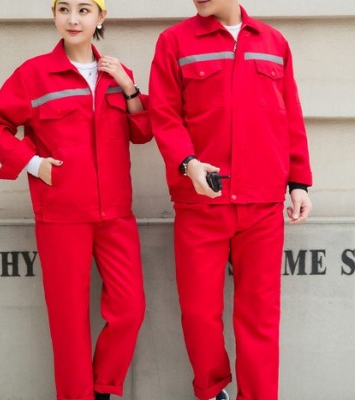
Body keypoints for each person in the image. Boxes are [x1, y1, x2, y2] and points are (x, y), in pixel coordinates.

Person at [0, 1, 152, 399]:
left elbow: (142, 133)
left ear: (100, 17)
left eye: (84, 10)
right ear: (54, 15)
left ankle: (103, 387)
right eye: (64, 9)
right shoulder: (33, 75)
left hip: (116, 215)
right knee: (69, 323)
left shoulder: (118, 74)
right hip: (61, 214)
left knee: (130, 309)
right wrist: (34, 163)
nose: (73, 19)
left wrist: (129, 88)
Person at [149, 1, 312, 399]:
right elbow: (164, 113)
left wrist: (299, 182)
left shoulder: (273, 43)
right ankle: (212, 390)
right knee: (199, 312)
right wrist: (187, 163)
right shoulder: (174, 41)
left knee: (260, 316)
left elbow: (289, 114)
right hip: (201, 201)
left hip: (262, 204)